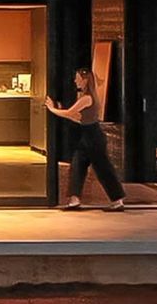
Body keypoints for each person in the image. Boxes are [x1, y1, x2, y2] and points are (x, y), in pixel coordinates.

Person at [45, 69, 126, 211]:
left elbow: (70, 112)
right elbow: (78, 118)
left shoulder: (87, 98)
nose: (75, 81)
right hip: (87, 135)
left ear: (85, 80)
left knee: (103, 168)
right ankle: (74, 199)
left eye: (77, 78)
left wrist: (52, 109)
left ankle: (118, 200)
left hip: (94, 136)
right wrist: (60, 111)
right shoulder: (85, 97)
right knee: (77, 165)